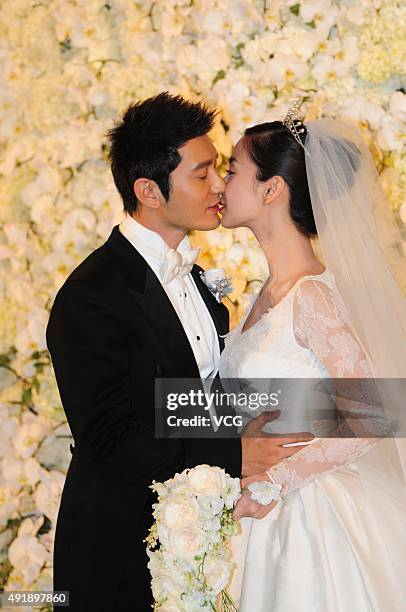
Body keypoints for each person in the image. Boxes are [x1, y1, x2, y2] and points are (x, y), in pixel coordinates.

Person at [46, 93, 309, 611]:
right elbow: (108, 437)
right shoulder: (92, 295)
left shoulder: (195, 279)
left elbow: (188, 402)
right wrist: (233, 456)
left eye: (220, 169)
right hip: (119, 547)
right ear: (149, 190)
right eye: (202, 173)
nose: (219, 187)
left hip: (199, 540)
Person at [219, 106, 406, 611]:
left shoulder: (312, 297)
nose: (221, 183)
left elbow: (374, 415)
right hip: (255, 502)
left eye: (233, 170)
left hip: (306, 515)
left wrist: (273, 484)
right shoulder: (265, 292)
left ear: (271, 189)